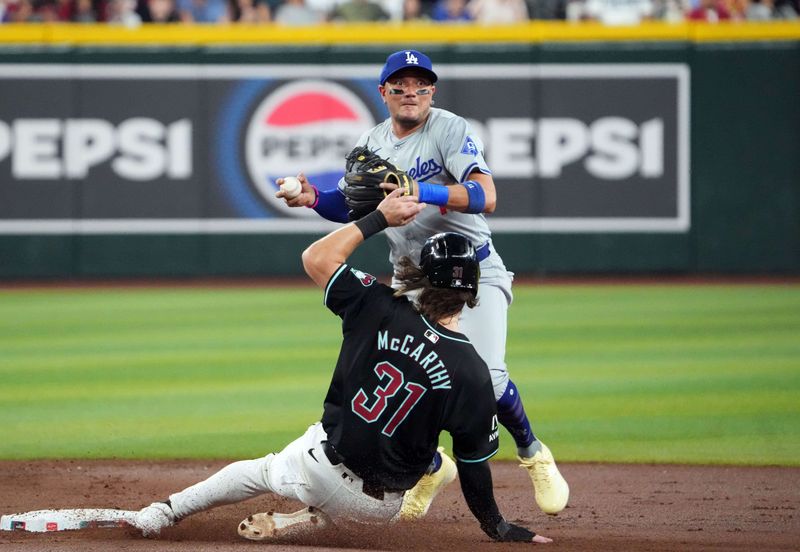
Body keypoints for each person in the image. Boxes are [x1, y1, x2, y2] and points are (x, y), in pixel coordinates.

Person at [131, 190, 552, 545]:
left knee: (260, 471)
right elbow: (476, 470)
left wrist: (378, 218)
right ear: (474, 294)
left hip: (317, 468)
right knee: (427, 443)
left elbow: (316, 256)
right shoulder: (475, 374)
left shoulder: (378, 306)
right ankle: (339, 508)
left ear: (422, 275)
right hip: (381, 508)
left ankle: (164, 512)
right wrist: (497, 526)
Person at [275, 49, 569, 519]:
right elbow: (354, 203)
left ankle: (533, 452)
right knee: (409, 382)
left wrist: (422, 190)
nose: (411, 93)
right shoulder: (372, 141)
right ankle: (432, 467)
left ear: (432, 91)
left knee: (488, 378)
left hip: (473, 271)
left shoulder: (449, 129)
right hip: (413, 278)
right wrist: (312, 198)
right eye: (400, 86)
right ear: (384, 93)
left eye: (421, 86)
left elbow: (485, 196)